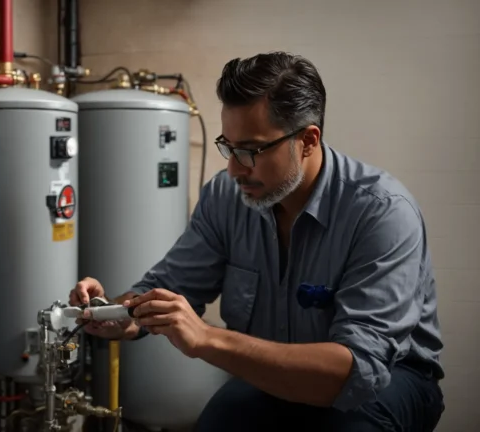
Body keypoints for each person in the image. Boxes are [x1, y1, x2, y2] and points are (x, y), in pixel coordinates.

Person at [68, 51, 445, 431]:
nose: (233, 168)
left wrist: (207, 340)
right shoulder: (226, 197)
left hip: (387, 382)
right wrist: (116, 314)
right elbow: (168, 288)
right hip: (271, 376)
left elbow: (355, 373)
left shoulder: (381, 213)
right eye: (227, 147)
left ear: (308, 140)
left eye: (250, 151)